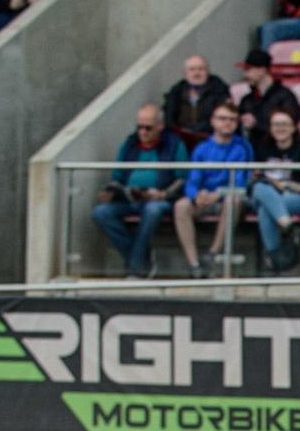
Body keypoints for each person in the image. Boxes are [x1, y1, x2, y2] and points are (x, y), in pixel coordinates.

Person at [92, 102, 185, 277]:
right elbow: (117, 175)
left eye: (148, 128)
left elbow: (183, 177)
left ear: (160, 125)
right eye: (139, 127)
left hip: (160, 199)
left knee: (153, 210)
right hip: (130, 198)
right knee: (101, 212)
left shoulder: (174, 144)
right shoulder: (129, 143)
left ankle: (135, 268)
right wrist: (111, 191)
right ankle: (141, 259)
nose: (142, 132)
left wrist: (164, 193)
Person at [174, 102, 253, 278]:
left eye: (232, 120)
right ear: (213, 121)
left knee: (232, 200)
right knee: (181, 205)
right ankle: (194, 264)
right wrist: (196, 196)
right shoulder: (202, 149)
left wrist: (219, 193)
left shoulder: (243, 148)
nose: (227, 123)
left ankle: (213, 253)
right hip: (205, 199)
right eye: (223, 119)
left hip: (227, 198)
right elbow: (192, 181)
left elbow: (241, 183)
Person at [251, 107, 300, 274]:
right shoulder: (262, 148)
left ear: (293, 127)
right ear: (270, 128)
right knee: (260, 190)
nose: (280, 128)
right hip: (267, 193)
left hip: (296, 197)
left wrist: (288, 186)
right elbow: (255, 179)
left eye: (284, 124)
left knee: (265, 209)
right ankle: (287, 224)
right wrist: (274, 183)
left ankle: (273, 258)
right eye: (276, 124)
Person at [163, 55, 233, 147]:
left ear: (208, 72)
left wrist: (192, 131)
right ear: (185, 74)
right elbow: (169, 119)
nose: (196, 73)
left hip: (211, 143)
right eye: (192, 69)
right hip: (181, 143)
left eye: (201, 69)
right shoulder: (175, 93)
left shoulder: (220, 92)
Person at [237, 47, 300, 137]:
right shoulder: (246, 100)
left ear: (262, 70)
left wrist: (257, 124)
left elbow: (289, 126)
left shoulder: (285, 96)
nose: (244, 75)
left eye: (248, 69)